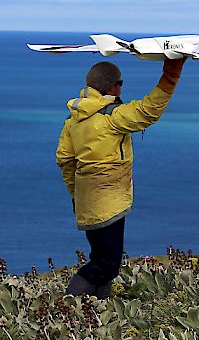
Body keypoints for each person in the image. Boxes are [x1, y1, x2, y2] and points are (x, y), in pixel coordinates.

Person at [55, 57, 185, 298]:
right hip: (109, 200)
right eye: (121, 83)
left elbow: (65, 160)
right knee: (106, 264)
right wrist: (171, 73)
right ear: (113, 87)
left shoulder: (73, 120)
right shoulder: (111, 117)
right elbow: (148, 110)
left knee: (102, 258)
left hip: (87, 200)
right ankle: (69, 305)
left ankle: (98, 309)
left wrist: (76, 194)